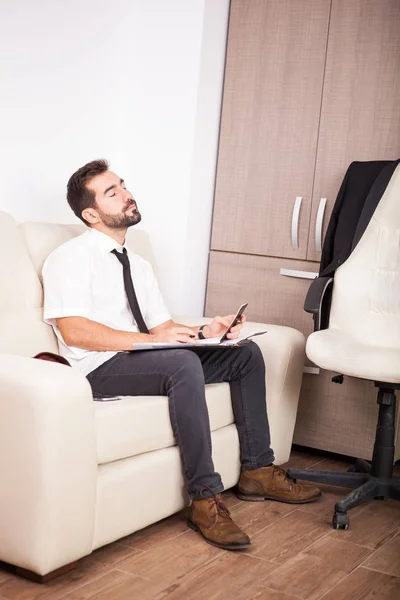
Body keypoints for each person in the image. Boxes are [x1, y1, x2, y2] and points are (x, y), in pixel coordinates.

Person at [42, 159, 321, 551]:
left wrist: (209, 333)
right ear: (91, 213)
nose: (126, 194)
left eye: (123, 185)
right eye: (112, 192)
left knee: (245, 354)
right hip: (96, 367)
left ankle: (258, 469)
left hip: (140, 356)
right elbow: (76, 332)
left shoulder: (138, 264)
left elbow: (161, 330)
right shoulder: (69, 258)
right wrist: (149, 343)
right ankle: (205, 499)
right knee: (181, 363)